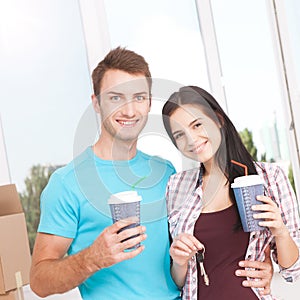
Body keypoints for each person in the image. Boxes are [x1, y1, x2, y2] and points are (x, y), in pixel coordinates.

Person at [30, 48, 274, 299]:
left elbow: (198, 240)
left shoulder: (166, 172)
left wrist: (262, 262)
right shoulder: (67, 184)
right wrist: (92, 258)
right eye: (115, 98)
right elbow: (39, 281)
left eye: (138, 97)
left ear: (148, 103)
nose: (129, 110)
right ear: (96, 103)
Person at [162, 85, 300, 299]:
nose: (191, 139)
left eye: (197, 125)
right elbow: (179, 282)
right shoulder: (177, 187)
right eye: (180, 135)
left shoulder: (270, 178)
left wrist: (280, 232)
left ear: (218, 119)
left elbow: (293, 271)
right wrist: (179, 261)